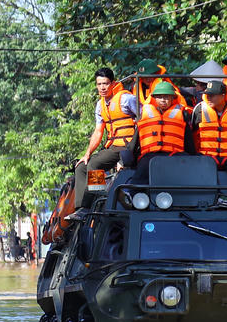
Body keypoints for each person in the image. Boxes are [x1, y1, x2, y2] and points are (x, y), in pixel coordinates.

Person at [70, 67, 139, 220]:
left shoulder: (126, 99)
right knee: (81, 166)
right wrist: (87, 153)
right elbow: (98, 131)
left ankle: (97, 201)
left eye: (105, 84)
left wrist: (130, 151)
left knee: (95, 165)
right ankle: (82, 208)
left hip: (127, 145)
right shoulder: (100, 105)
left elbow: (143, 120)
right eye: (99, 84)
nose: (102, 87)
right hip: (113, 146)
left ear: (113, 83)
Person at [121, 79, 193, 186]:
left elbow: (189, 141)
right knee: (142, 168)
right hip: (150, 155)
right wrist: (127, 156)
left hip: (175, 155)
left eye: (166, 97)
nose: (163, 100)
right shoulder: (144, 115)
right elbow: (135, 140)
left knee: (186, 168)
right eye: (160, 97)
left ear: (173, 98)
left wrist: (193, 155)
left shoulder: (183, 114)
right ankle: (134, 192)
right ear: (154, 98)